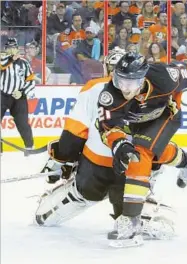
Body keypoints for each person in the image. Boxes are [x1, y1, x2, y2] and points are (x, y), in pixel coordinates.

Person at [35, 48, 179, 248]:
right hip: (132, 170)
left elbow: (75, 132)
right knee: (131, 207)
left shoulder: (94, 87)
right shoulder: (153, 89)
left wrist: (61, 158)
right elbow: (156, 141)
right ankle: (144, 212)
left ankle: (78, 195)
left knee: (48, 215)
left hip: (95, 167)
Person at [96, 52, 187, 245]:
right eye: (120, 81)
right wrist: (119, 144)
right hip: (136, 122)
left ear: (142, 79)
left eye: (130, 83)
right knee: (148, 154)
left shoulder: (164, 77)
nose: (124, 88)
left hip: (166, 114)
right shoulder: (109, 95)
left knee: (140, 154)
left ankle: (131, 222)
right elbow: (107, 127)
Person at [1, 38, 35, 153]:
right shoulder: (2, 60)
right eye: (9, 48)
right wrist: (11, 58)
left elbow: (30, 80)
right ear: (5, 49)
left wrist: (23, 92)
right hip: (3, 95)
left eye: (14, 47)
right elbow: (2, 66)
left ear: (17, 48)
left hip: (19, 97)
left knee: (23, 123)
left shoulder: (24, 63)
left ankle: (29, 147)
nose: (12, 50)